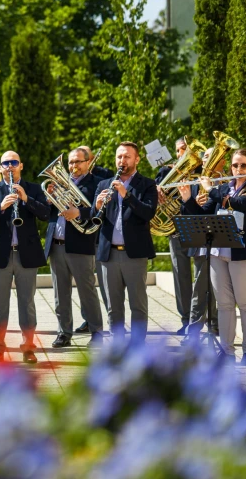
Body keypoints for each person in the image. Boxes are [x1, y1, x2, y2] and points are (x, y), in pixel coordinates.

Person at [180, 148, 246, 365]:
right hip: (218, 252)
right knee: (224, 304)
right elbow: (203, 214)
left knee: (245, 304)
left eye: (243, 165)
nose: (238, 169)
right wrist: (188, 199)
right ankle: (226, 352)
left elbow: (239, 205)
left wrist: (211, 189)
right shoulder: (224, 188)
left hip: (244, 253)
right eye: (235, 165)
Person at [0, 151, 50, 364]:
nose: (10, 166)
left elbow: (46, 214)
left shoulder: (34, 188)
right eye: (5, 163)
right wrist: (1, 206)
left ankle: (28, 347)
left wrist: (26, 199)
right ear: (0, 168)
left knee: (27, 302)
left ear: (21, 165)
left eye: (14, 163)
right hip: (0, 254)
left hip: (26, 253)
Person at [92, 142, 158, 346]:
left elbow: (147, 213)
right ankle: (117, 346)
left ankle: (138, 347)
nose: (122, 161)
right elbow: (94, 218)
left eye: (127, 157)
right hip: (109, 253)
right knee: (113, 305)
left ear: (137, 159)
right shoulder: (103, 185)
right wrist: (97, 206)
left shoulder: (146, 185)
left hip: (134, 253)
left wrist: (125, 194)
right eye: (119, 157)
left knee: (138, 304)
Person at [44, 147, 103, 348]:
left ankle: (97, 332)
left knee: (87, 292)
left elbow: (99, 210)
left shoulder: (96, 184)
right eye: (70, 162)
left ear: (88, 162)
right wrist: (49, 197)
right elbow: (46, 213)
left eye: (78, 162)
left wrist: (79, 212)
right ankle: (64, 333)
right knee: (60, 293)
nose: (73, 166)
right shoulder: (59, 183)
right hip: (57, 244)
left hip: (80, 244)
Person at [156, 137, 197, 335]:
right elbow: (154, 198)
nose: (182, 153)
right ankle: (186, 319)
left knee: (203, 276)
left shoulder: (201, 173)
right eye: (179, 150)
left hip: (198, 229)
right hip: (175, 229)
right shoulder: (166, 172)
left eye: (185, 149)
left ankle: (208, 319)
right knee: (180, 276)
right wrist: (156, 191)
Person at [184, 147, 221, 342]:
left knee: (218, 289)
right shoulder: (199, 181)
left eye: (210, 156)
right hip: (202, 241)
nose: (207, 160)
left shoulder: (225, 181)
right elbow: (195, 214)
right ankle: (194, 330)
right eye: (205, 157)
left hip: (222, 239)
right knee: (200, 287)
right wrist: (192, 202)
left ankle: (215, 325)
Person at [77, 145, 111, 332]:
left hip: (96, 235)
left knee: (93, 282)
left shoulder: (102, 176)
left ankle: (109, 319)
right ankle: (89, 319)